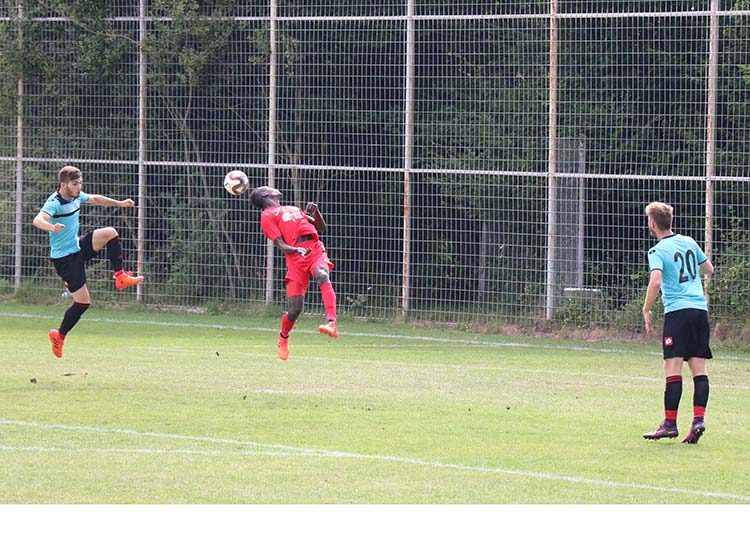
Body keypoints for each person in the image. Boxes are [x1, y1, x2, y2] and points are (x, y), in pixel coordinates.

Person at [32, 166, 144, 358]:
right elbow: (37, 220)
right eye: (75, 184)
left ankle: (120, 277)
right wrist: (51, 227)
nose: (79, 187)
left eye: (80, 183)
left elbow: (95, 198)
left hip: (77, 247)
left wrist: (120, 203)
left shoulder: (76, 196)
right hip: (65, 259)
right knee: (83, 303)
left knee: (110, 233)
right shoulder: (55, 202)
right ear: (63, 184)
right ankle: (59, 336)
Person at [641, 202, 714, 444]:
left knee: (672, 371)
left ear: (652, 223)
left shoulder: (657, 251)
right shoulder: (689, 242)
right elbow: (709, 269)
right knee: (699, 370)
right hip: (699, 312)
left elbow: (656, 282)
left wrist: (647, 308)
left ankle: (670, 423)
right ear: (670, 222)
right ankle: (698, 420)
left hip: (678, 314)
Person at [249, 186, 338, 361]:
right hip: (295, 258)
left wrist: (316, 212)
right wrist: (296, 249)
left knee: (322, 274)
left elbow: (321, 227)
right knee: (295, 310)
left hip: (314, 249)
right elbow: (281, 245)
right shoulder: (267, 215)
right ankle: (283, 338)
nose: (274, 188)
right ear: (265, 194)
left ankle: (332, 323)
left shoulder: (294, 209)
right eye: (268, 187)